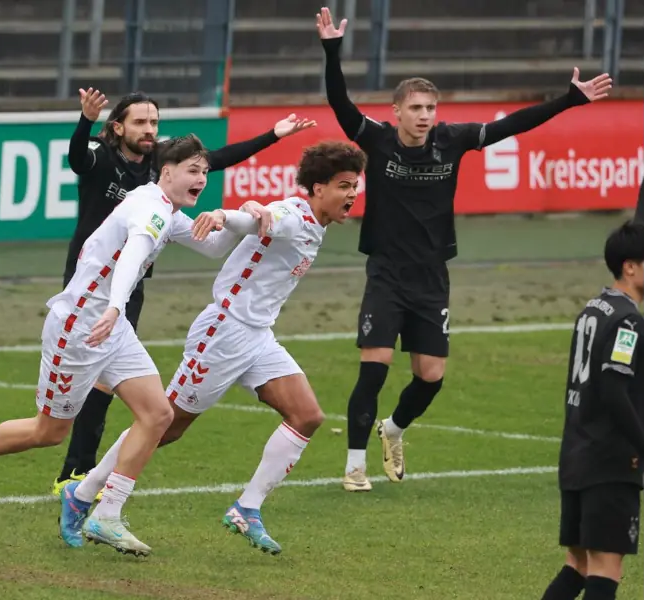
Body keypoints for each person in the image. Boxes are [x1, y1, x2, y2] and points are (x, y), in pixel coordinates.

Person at [314, 6, 614, 491]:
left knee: (430, 377)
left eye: (430, 108)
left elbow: (512, 126)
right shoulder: (377, 140)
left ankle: (392, 429)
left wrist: (568, 100)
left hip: (432, 276)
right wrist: (332, 51)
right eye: (415, 108)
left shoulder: (452, 141)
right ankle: (353, 466)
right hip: (386, 271)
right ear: (397, 112)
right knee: (374, 367)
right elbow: (339, 102)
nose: (425, 116)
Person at [0, 134, 267, 557]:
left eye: (204, 171)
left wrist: (240, 215)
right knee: (48, 432)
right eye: (192, 171)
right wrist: (113, 306)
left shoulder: (164, 207)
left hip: (113, 328)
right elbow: (133, 255)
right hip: (79, 327)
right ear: (167, 172)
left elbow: (215, 246)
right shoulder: (150, 209)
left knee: (158, 413)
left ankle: (105, 512)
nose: (201, 178)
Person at [58, 140, 365, 555]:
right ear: (316, 188)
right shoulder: (293, 215)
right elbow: (262, 218)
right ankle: (86, 494)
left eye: (355, 185)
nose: (352, 194)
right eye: (344, 185)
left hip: (257, 336)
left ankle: (247, 508)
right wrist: (227, 214)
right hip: (222, 334)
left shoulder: (314, 221)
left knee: (307, 415)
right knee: (165, 425)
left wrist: (248, 213)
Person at [53, 88, 316, 496]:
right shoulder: (105, 158)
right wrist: (85, 120)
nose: (149, 129)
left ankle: (78, 475)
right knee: (63, 414)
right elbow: (76, 161)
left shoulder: (162, 167)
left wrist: (271, 137)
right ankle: (80, 478)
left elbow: (217, 160)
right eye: (140, 122)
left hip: (131, 281)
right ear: (117, 126)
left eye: (154, 122)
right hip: (91, 283)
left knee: (118, 392)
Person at [539, 220, 645, 600]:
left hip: (577, 456)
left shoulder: (592, 310)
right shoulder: (628, 321)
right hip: (610, 462)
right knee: (605, 569)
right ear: (630, 267)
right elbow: (615, 389)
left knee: (579, 565)